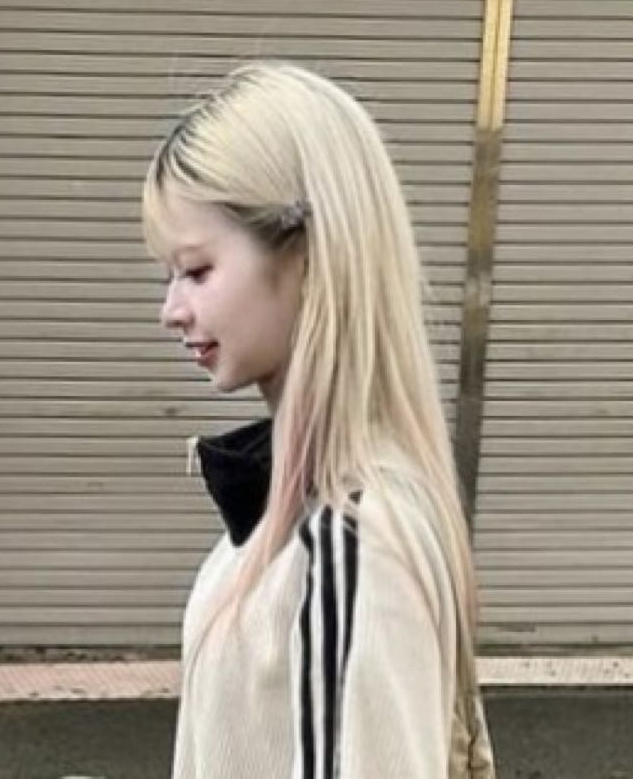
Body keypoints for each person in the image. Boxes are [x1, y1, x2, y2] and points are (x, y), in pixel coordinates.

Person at [142, 62, 495, 779]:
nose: (171, 310)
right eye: (169, 275)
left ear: (307, 259)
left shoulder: (350, 535)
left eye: (197, 270)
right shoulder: (309, 510)